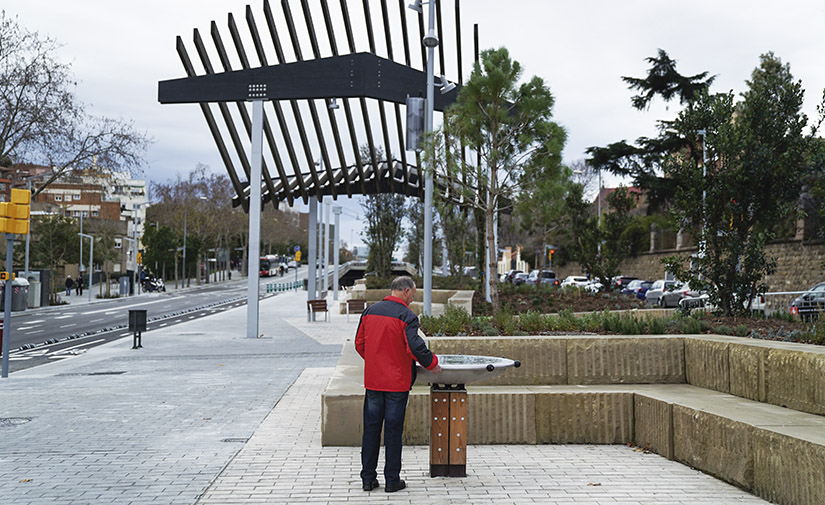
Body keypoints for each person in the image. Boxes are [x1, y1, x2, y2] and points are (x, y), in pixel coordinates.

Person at [354, 276, 441, 493]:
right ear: (405, 291)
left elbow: (359, 344)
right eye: (413, 293)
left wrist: (376, 362)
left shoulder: (369, 312)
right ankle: (392, 480)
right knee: (393, 432)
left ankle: (368, 479)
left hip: (373, 382)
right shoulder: (407, 316)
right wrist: (433, 364)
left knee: (371, 430)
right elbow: (415, 347)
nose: (413, 297)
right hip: (397, 384)